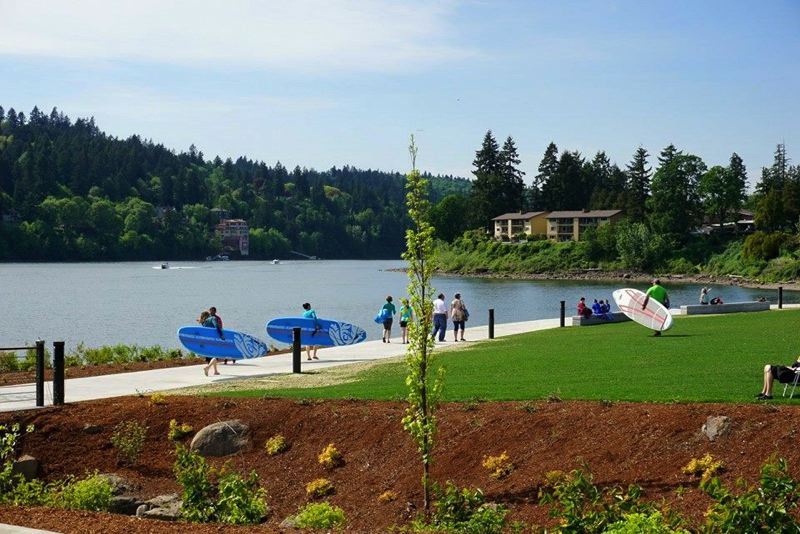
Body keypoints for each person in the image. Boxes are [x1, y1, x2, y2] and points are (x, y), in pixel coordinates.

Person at [199, 310, 220, 376]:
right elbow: (216, 326)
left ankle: (216, 371)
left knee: (211, 356)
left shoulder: (204, 323)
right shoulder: (212, 319)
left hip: (206, 341)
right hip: (213, 340)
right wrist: (220, 334)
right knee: (215, 356)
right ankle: (207, 368)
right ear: (208, 315)